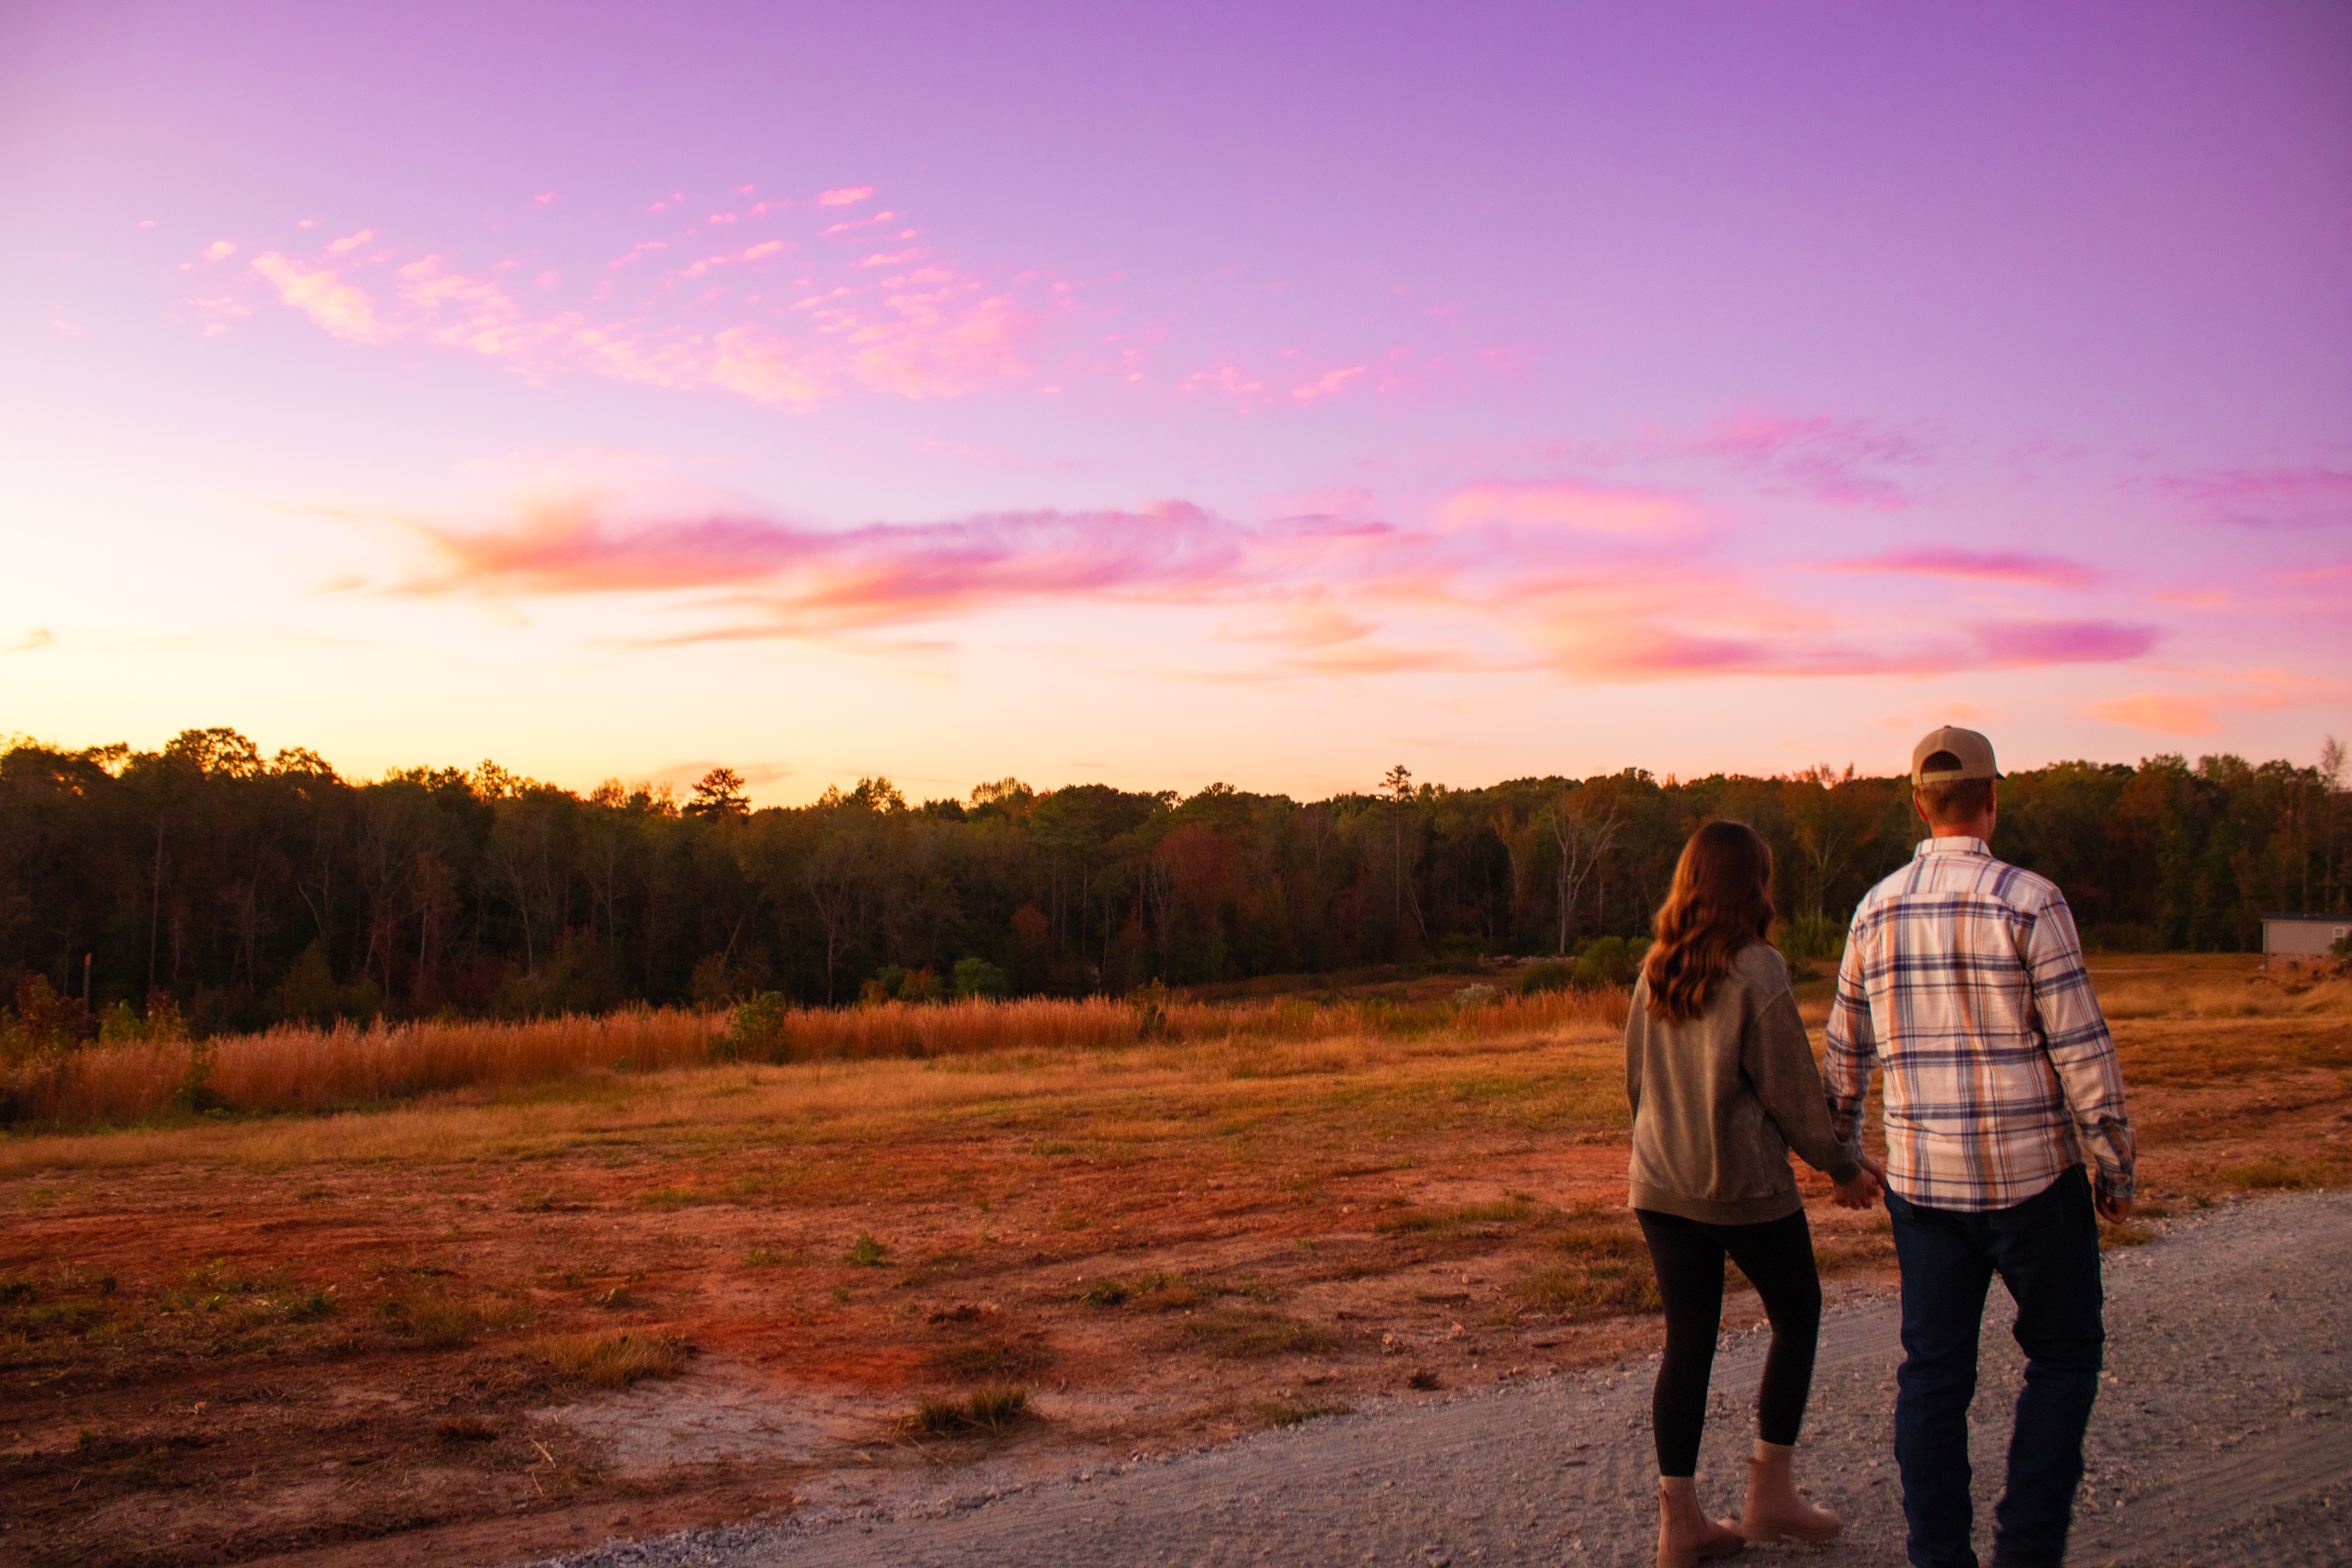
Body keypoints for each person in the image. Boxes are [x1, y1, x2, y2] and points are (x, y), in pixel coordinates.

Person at [1826, 726, 2135, 1568]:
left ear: (1918, 805)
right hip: (2034, 1179)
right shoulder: (2031, 901)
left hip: (1925, 1185)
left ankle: (1940, 1557)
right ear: (1993, 798)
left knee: (1933, 1375)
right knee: (2063, 1357)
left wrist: (1845, 1151)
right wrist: (2113, 1168)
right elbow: (2083, 1050)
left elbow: (1845, 1055)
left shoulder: (1875, 910)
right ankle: (2026, 1551)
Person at [1626, 819, 1883, 1568]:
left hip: (1660, 1184)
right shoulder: (1758, 968)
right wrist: (1842, 1167)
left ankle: (1681, 1526)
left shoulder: (1656, 968)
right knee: (1798, 1314)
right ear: (1753, 885)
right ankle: (1770, 1494)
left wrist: (1660, 1151)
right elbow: (1793, 1090)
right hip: (1740, 1186)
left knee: (1689, 1341)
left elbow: (1637, 1083)